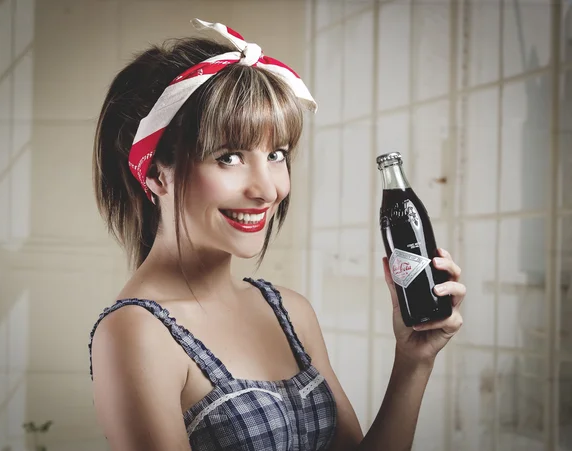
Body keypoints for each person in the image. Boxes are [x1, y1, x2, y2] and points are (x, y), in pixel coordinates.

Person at [88, 19, 466, 451]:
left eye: (276, 155)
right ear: (156, 173)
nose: (268, 188)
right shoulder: (136, 333)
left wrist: (414, 360)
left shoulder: (290, 310)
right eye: (228, 157)